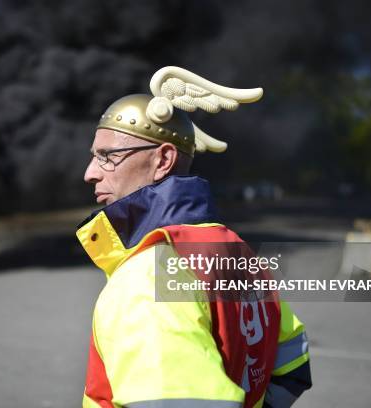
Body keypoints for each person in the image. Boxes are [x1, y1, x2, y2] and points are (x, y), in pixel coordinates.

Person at [76, 67, 312, 408]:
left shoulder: (147, 278)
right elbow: (293, 360)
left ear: (163, 159)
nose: (90, 173)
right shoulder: (235, 250)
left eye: (107, 156)